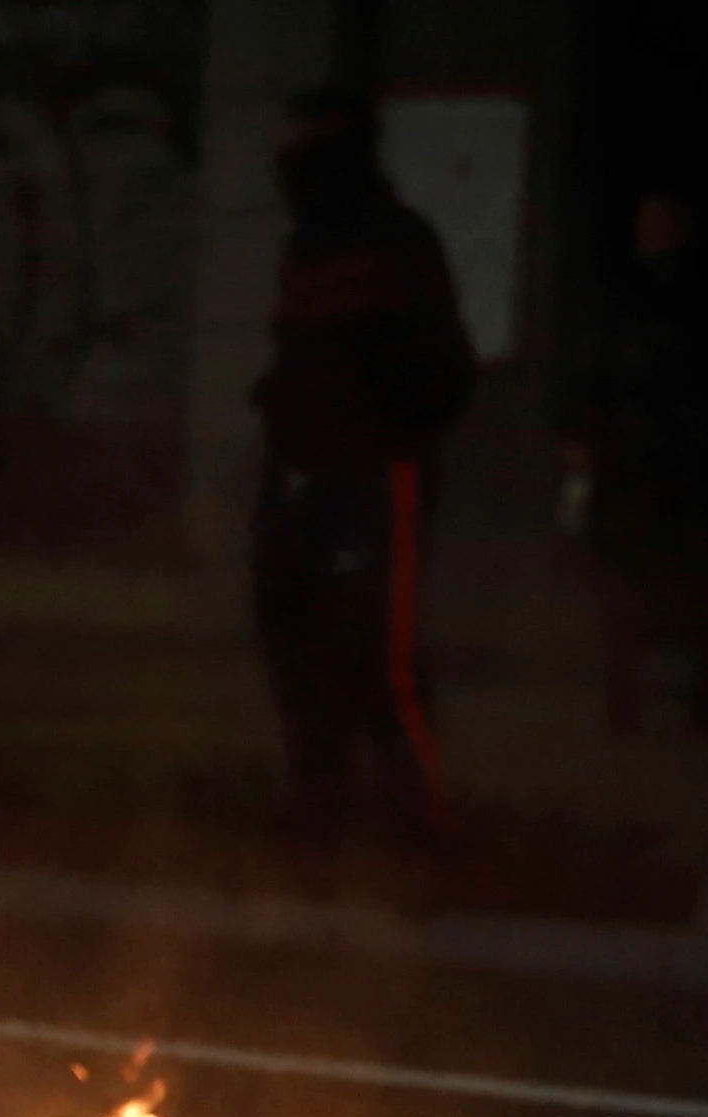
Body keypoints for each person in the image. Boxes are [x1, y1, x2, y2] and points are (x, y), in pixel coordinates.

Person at [247, 87, 473, 837]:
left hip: (376, 477)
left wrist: (383, 429)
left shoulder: (400, 240)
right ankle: (319, 799)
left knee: (379, 651)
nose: (285, 167)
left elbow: (441, 367)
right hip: (299, 475)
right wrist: (282, 406)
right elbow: (299, 353)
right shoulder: (304, 246)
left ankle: (418, 813)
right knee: (294, 639)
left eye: (298, 149)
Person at [565, 192, 708, 737]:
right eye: (648, 224)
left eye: (663, 223)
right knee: (627, 586)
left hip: (680, 461)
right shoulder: (626, 300)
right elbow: (599, 375)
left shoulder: (701, 297)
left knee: (698, 586)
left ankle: (704, 700)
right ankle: (628, 699)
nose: (654, 233)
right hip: (636, 460)